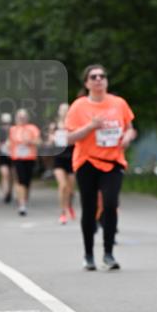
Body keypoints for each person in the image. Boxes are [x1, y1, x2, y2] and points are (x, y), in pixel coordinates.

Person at [65, 65, 136, 270]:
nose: (98, 79)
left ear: (106, 81)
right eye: (93, 77)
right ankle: (88, 254)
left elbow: (131, 129)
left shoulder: (118, 103)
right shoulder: (79, 106)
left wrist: (127, 138)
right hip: (86, 162)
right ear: (86, 83)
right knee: (89, 208)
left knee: (110, 204)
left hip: (113, 162)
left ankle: (108, 254)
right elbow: (68, 139)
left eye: (102, 76)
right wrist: (90, 127)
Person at [9, 109, 41, 215]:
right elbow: (9, 143)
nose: (22, 119)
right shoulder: (13, 129)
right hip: (17, 158)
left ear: (27, 118)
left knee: (27, 182)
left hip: (29, 158)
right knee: (20, 180)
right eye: (20, 117)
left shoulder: (32, 128)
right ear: (16, 118)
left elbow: (39, 142)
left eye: (24, 117)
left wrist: (30, 141)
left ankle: (24, 200)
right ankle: (22, 205)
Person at [50, 103, 75, 224]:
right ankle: (63, 212)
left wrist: (69, 138)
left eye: (66, 110)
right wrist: (52, 140)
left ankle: (69, 205)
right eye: (62, 110)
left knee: (71, 189)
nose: (64, 112)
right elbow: (49, 142)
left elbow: (78, 139)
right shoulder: (54, 126)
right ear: (59, 112)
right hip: (59, 158)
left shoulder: (74, 124)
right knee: (63, 185)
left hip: (71, 157)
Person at [0, 112, 14, 203]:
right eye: (4, 123)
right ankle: (5, 193)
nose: (6, 125)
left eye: (8, 123)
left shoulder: (14, 130)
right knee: (5, 174)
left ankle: (10, 192)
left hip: (13, 155)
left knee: (11, 174)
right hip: (2, 155)